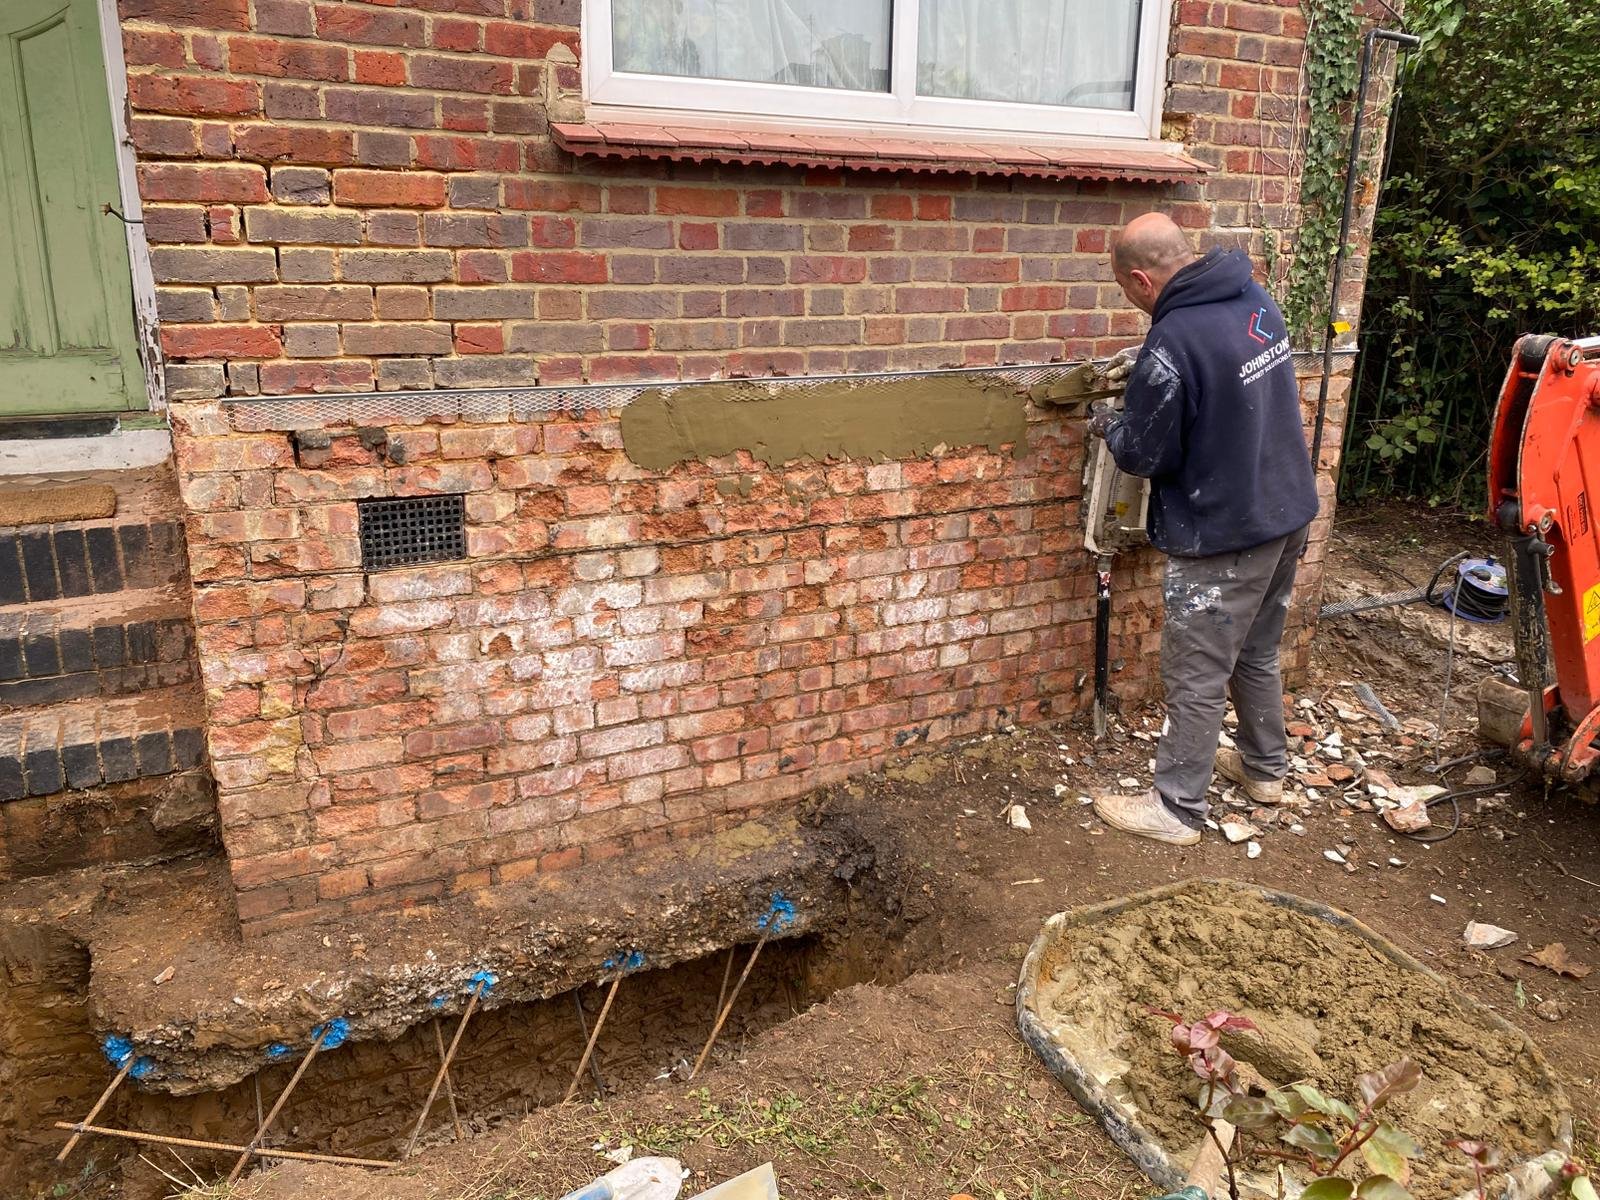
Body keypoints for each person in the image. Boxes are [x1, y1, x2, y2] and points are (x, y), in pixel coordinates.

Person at [1086, 213, 1319, 846]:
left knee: (1197, 671)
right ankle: (1265, 769)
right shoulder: (1253, 299)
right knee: (1257, 649)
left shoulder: (1174, 341)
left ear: (1141, 279)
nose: (1134, 305)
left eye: (1128, 293)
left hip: (1225, 533)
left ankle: (1177, 808)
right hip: (1285, 510)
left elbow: (1144, 453)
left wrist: (1107, 423)